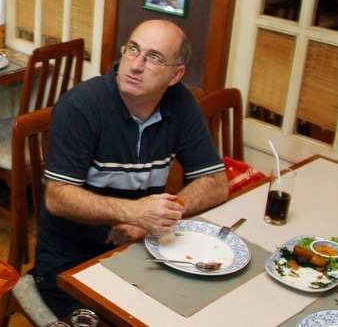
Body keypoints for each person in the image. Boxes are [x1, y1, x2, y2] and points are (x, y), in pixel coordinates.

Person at [33, 19, 229, 317]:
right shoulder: (81, 106)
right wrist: (133, 212)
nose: (135, 65)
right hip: (71, 260)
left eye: (153, 57)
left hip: (141, 249)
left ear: (176, 75)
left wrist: (157, 216)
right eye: (133, 50)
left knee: (202, 310)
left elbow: (215, 182)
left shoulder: (181, 103)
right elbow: (58, 197)